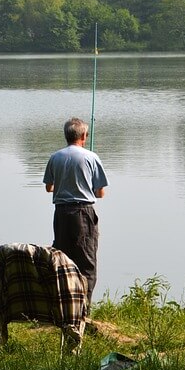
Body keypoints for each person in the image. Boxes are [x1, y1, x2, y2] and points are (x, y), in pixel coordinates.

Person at [43, 117, 109, 304]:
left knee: (62, 259)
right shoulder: (91, 157)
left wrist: (65, 185)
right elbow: (100, 193)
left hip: (61, 214)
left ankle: (62, 304)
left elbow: (49, 187)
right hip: (83, 213)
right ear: (83, 136)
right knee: (86, 262)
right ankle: (83, 308)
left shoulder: (55, 157)